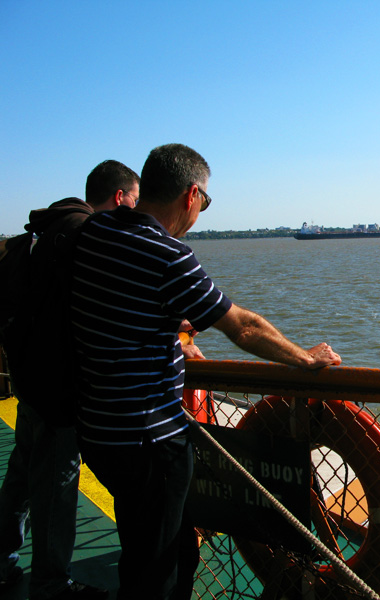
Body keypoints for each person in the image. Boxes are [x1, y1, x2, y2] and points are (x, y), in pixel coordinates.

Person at [69, 143, 341, 600]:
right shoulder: (168, 255)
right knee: (154, 569)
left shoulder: (94, 232)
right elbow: (243, 328)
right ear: (190, 195)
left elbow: (114, 302)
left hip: (96, 431)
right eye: (206, 201)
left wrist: (163, 323)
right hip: (148, 442)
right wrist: (305, 358)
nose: (201, 211)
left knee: (160, 548)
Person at [0, 160, 141, 598]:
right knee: (58, 483)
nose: (135, 212)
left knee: (24, 471)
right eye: (135, 202)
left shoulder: (39, 234)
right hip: (62, 387)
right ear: (119, 198)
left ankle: (4, 561)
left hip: (29, 377)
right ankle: (50, 581)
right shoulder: (88, 237)